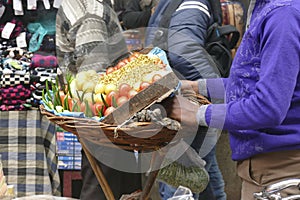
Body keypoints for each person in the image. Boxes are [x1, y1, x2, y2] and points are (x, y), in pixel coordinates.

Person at [161, 0, 300, 199]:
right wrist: (196, 87)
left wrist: (198, 114)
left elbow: (268, 107)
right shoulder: (268, 9)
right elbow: (250, 83)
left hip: (280, 173)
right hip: (262, 172)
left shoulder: (283, 15)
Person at [55, 0, 142, 199]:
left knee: (116, 184)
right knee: (104, 184)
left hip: (101, 111)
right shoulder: (91, 12)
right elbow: (95, 75)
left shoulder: (83, 5)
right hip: (105, 116)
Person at [145, 0, 227, 199]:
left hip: (183, 103)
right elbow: (183, 50)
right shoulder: (192, 2)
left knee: (199, 170)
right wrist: (215, 94)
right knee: (182, 180)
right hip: (184, 108)